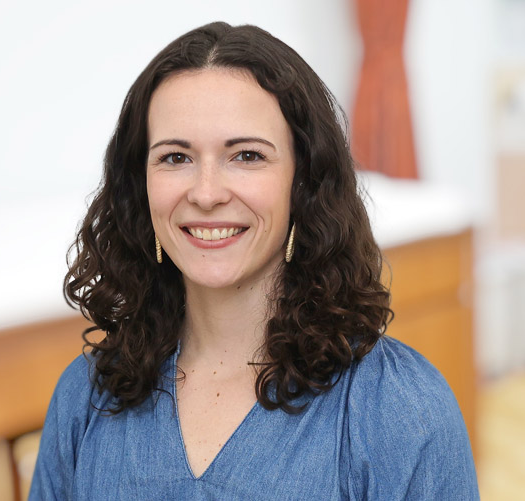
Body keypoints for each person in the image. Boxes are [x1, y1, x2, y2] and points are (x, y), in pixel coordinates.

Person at [29, 21, 478, 500]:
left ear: (302, 183)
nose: (205, 194)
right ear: (140, 185)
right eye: (175, 158)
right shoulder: (86, 397)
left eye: (246, 155)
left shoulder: (401, 411)